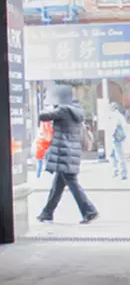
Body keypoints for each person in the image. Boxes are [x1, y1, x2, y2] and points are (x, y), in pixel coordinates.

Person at [36, 85, 99, 224]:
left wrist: (46, 104)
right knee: (57, 186)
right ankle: (47, 213)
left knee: (72, 183)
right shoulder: (75, 110)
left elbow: (43, 116)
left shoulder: (63, 110)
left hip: (64, 153)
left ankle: (89, 210)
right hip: (70, 152)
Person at [108, 103, 129, 180]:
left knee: (117, 155)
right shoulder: (119, 115)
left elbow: (113, 127)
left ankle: (122, 173)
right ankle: (117, 171)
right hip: (117, 137)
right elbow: (125, 125)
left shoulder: (114, 115)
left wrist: (112, 135)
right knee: (114, 155)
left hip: (115, 138)